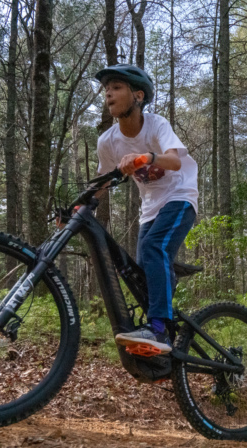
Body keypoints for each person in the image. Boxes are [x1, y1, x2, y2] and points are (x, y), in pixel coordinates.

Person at [94, 64, 198, 356]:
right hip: (150, 207)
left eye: (116, 88)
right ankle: (160, 338)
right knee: (140, 272)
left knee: (154, 248)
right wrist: (81, 205)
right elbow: (103, 181)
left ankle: (159, 330)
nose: (108, 94)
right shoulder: (108, 141)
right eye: (106, 90)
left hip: (180, 195)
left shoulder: (156, 125)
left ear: (138, 95)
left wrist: (146, 157)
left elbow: (175, 162)